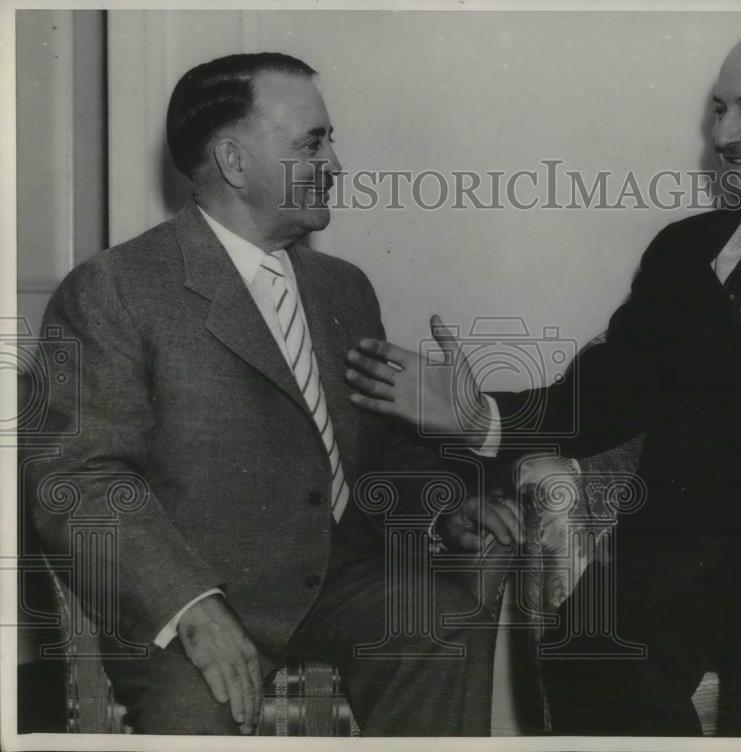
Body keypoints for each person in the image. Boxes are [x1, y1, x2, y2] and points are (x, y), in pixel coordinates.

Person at [345, 27, 741, 735]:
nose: (721, 135)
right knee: (585, 643)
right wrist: (477, 418)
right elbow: (595, 401)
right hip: (683, 562)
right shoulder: (682, 253)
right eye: (717, 110)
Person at [28, 52, 519, 736]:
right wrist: (191, 605)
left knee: (444, 625)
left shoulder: (342, 290)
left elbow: (373, 455)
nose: (335, 165)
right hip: (193, 590)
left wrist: (443, 508)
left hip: (337, 580)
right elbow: (79, 479)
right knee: (195, 713)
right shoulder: (114, 288)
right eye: (311, 143)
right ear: (234, 161)